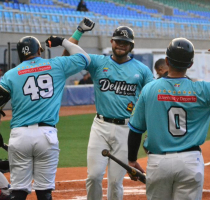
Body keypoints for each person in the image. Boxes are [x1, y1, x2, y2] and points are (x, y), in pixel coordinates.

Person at [127, 32, 210, 200]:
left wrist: (132, 160)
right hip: (190, 162)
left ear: (167, 61)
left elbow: (136, 129)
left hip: (158, 162)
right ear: (190, 64)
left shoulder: (149, 89)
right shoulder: (203, 89)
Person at [0, 35, 92, 200]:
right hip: (46, 135)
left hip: (20, 136)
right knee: (44, 192)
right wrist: (63, 41)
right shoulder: (56, 65)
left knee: (18, 191)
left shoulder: (11, 74)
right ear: (39, 50)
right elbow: (85, 58)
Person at [63, 18, 154, 200]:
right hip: (100, 126)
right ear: (111, 42)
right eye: (118, 41)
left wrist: (150, 133)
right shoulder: (97, 62)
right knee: (94, 176)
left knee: (114, 182)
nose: (121, 45)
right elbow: (66, 56)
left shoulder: (142, 70)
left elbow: (152, 99)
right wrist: (79, 31)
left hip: (127, 129)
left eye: (125, 43)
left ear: (131, 46)